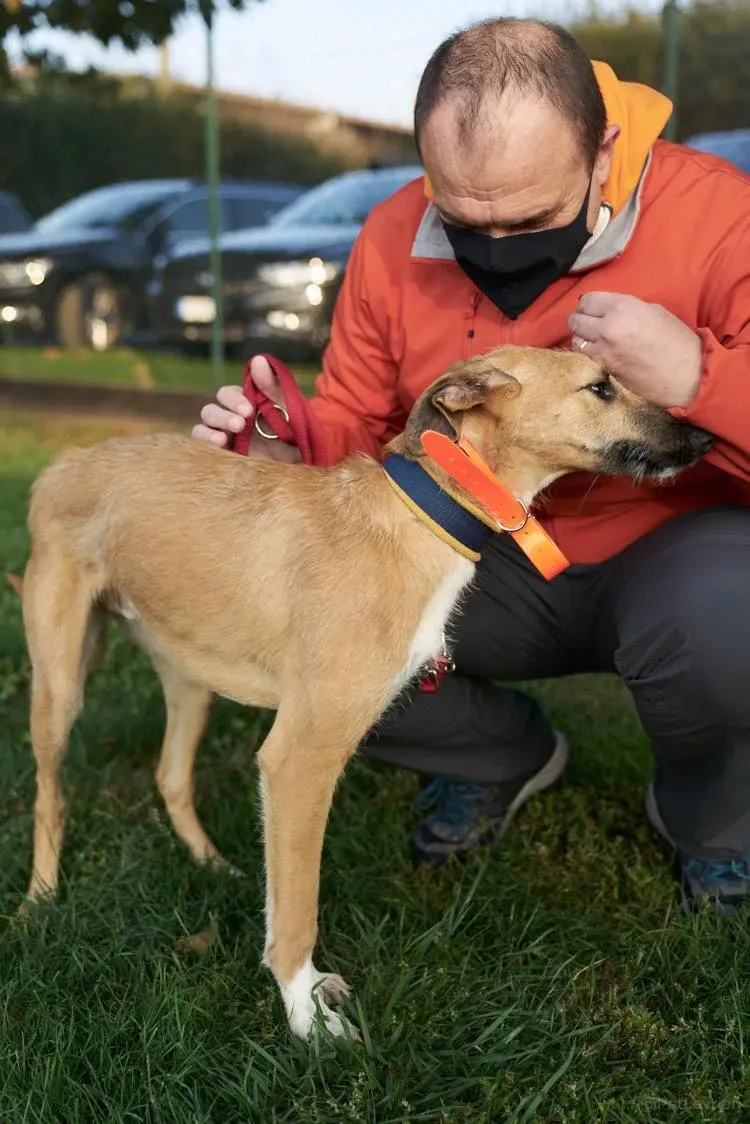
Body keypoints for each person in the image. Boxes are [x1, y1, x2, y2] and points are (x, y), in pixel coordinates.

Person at [192, 19, 750, 913]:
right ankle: (494, 754)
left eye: (528, 219)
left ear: (602, 151)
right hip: (478, 555)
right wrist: (281, 451)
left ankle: (719, 819)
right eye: (461, 220)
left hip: (674, 552)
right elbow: (363, 429)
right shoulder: (389, 236)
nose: (494, 249)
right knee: (302, 608)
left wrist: (696, 376)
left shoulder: (719, 216)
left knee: (731, 618)